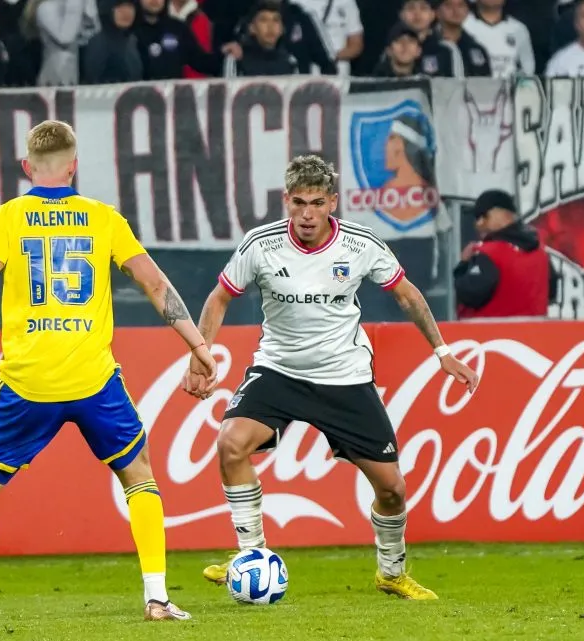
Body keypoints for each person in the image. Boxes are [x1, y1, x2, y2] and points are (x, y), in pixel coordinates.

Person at [0, 120, 217, 629]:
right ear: (75, 166)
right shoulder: (103, 219)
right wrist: (198, 344)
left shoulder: (7, 218)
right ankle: (157, 597)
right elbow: (153, 282)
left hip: (27, 383)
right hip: (93, 380)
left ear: (26, 167)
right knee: (138, 474)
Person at [186, 155, 479, 601]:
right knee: (230, 444)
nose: (306, 213)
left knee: (392, 489)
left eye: (316, 203)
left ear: (332, 203)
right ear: (286, 200)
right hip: (278, 370)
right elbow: (219, 297)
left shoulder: (360, 245)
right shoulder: (259, 245)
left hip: (344, 377)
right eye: (298, 202)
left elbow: (407, 294)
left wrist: (442, 351)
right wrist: (199, 354)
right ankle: (250, 555)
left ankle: (392, 572)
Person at [454, 189, 555, 319]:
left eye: (482, 216)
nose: (478, 224)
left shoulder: (488, 253)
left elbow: (469, 294)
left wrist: (463, 265)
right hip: (533, 335)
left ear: (499, 215)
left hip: (491, 336)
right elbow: (551, 293)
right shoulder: (540, 252)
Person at [23, 0, 100, 86]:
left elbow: (90, 32)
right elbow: (65, 39)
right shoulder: (45, 8)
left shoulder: (68, 6)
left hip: (71, 73)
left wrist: (89, 7)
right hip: (54, 78)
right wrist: (75, 5)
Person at [223, 0, 301, 77]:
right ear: (252, 28)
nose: (270, 26)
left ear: (282, 29)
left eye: (276, 20)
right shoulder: (237, 60)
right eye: (263, 20)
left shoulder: (290, 62)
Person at [463, 0, 536, 77]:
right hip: (474, 86)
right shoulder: (463, 25)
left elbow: (528, 68)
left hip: (509, 87)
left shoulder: (519, 29)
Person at [82, 0, 143, 84]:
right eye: (120, 8)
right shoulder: (98, 43)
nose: (126, 13)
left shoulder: (132, 40)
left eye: (130, 7)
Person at [434, 0, 492, 77]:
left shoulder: (477, 49)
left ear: (467, 11)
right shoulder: (427, 45)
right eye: (448, 5)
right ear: (437, 12)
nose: (455, 10)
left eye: (460, 5)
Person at [398, 0, 455, 77]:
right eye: (411, 8)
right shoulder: (393, 48)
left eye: (423, 8)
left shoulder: (446, 49)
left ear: (432, 15)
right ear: (402, 15)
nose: (417, 14)